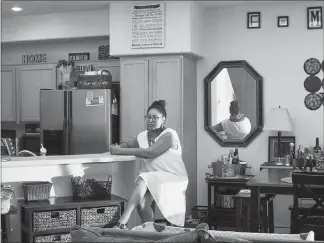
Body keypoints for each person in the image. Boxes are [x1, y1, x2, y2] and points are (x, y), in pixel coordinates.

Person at [109, 100, 189, 229]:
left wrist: (119, 151)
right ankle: (150, 231)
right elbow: (128, 144)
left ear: (163, 119)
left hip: (173, 177)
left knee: (143, 179)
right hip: (153, 177)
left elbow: (149, 153)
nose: (150, 120)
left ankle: (121, 222)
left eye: (155, 118)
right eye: (148, 117)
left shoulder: (169, 135)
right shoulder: (143, 136)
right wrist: (117, 147)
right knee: (141, 202)